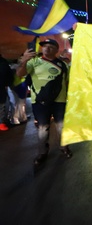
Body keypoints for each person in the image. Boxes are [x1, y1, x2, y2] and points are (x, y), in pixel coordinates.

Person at [16, 39, 72, 167]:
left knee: (61, 126)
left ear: (56, 50)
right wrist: (24, 60)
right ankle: (42, 152)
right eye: (44, 46)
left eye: (51, 47)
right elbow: (20, 73)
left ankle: (64, 147)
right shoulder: (34, 62)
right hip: (40, 101)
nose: (47, 49)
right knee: (43, 128)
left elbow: (67, 82)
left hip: (60, 101)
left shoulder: (62, 64)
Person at [9, 58, 29, 125]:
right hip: (21, 85)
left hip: (14, 85)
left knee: (16, 103)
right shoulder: (19, 67)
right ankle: (19, 118)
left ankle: (19, 118)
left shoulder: (11, 67)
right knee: (21, 103)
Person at [0, 54, 14, 131]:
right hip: (2, 88)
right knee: (2, 106)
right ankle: (1, 123)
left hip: (1, 88)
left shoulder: (3, 62)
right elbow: (9, 75)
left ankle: (1, 123)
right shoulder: (3, 62)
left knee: (2, 106)